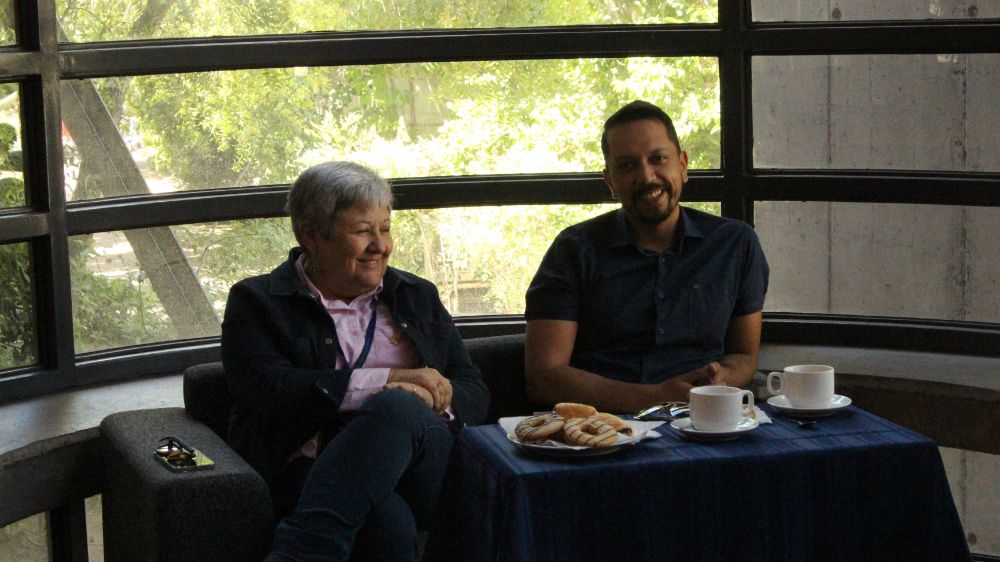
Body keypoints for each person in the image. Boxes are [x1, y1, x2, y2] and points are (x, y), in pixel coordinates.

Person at [221, 161, 490, 562]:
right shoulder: (258, 301)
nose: (380, 245)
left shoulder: (416, 295)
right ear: (311, 234)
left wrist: (426, 397)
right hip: (311, 466)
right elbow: (265, 387)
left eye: (385, 228)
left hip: (424, 464)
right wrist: (387, 379)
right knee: (387, 522)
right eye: (363, 231)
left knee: (399, 406)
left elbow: (472, 388)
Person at [524, 100, 769, 413]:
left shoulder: (735, 244)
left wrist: (722, 379)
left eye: (658, 159)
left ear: (682, 165)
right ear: (610, 181)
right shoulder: (573, 250)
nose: (647, 176)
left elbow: (744, 356)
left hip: (707, 420)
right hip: (604, 430)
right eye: (627, 166)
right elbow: (544, 379)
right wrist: (656, 396)